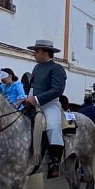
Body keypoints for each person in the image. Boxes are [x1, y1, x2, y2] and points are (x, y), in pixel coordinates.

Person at [24, 39, 68, 179]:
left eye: (36, 51)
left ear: (45, 52)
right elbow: (32, 87)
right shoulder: (36, 68)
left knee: (53, 127)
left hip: (50, 104)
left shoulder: (57, 68)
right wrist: (27, 98)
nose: (34, 54)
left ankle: (54, 163)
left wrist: (36, 99)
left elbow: (57, 90)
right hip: (34, 102)